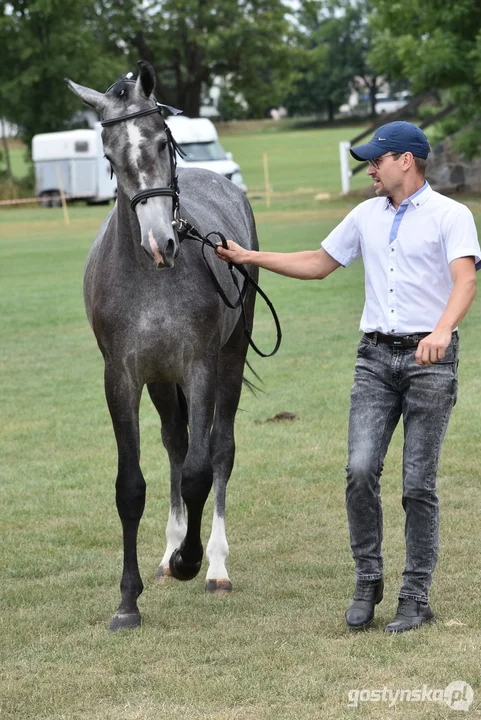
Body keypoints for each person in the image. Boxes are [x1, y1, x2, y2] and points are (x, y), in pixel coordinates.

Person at [216, 121, 481, 633]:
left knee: (416, 485)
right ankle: (368, 580)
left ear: (406, 160)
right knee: (360, 470)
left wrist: (443, 330)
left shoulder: (452, 215)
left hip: (430, 362)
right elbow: (318, 263)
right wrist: (248, 257)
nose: (369, 169)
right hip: (375, 361)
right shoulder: (365, 215)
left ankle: (415, 596)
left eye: (376, 160)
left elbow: (465, 279)